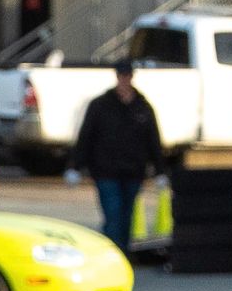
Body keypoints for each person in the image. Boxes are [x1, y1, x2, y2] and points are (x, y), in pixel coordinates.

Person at [67, 61, 166, 250]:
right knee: (113, 214)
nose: (124, 79)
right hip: (106, 171)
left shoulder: (142, 107)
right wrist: (75, 166)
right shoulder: (101, 105)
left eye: (127, 75)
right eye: (122, 75)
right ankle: (114, 253)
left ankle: (123, 251)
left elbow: (153, 140)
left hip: (133, 171)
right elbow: (86, 136)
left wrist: (160, 170)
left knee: (126, 216)